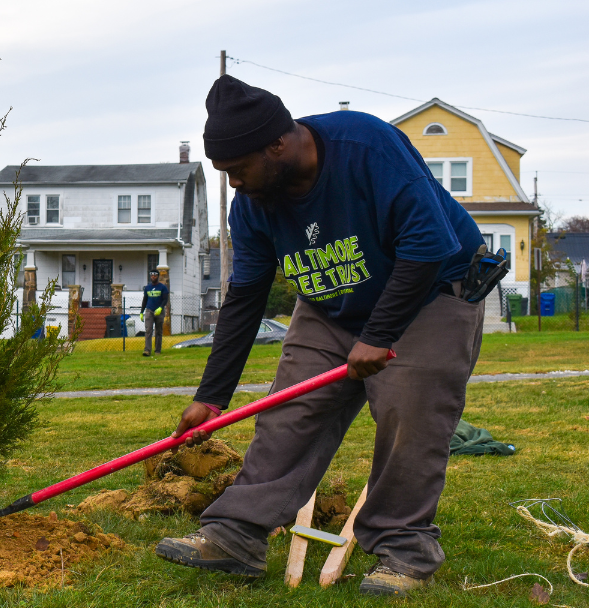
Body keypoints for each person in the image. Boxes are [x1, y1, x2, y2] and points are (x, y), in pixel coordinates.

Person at [153, 75, 486, 597]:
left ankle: (406, 549)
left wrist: (378, 335)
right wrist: (210, 397)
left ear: (278, 144)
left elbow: (426, 244)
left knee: (409, 415)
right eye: (224, 172)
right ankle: (235, 535)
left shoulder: (366, 147)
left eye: (237, 170)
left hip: (432, 292)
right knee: (289, 412)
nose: (234, 183)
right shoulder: (255, 203)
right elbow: (245, 297)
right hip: (333, 304)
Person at [140, 269, 169, 356]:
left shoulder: (162, 287)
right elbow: (145, 300)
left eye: (155, 275)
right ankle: (147, 350)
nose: (153, 277)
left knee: (158, 331)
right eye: (152, 275)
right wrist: (141, 312)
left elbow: (165, 299)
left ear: (158, 276)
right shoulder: (147, 288)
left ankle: (157, 350)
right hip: (149, 310)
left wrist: (160, 308)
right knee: (148, 330)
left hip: (159, 311)